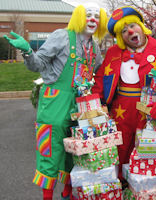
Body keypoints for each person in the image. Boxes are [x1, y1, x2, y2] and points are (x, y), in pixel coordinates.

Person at [4, 3, 108, 200]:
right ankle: (47, 197)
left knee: (75, 152)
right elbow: (38, 64)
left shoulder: (94, 47)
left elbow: (99, 71)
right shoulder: (62, 36)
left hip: (80, 105)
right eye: (88, 15)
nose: (93, 19)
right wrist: (27, 51)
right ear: (78, 17)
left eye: (97, 16)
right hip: (55, 102)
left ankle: (67, 194)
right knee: (50, 152)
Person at [91, 6, 156, 180]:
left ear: (141, 26)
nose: (130, 31)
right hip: (119, 113)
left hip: (148, 113)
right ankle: (120, 188)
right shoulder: (113, 52)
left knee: (145, 159)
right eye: (124, 30)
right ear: (120, 36)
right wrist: (95, 106)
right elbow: (100, 81)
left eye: (133, 25)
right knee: (119, 153)